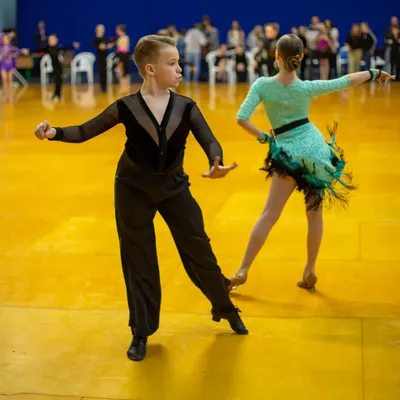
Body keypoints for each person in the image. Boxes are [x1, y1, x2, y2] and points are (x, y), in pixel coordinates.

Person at [34, 35, 248, 362]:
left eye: (178, 62)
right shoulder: (126, 107)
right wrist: (54, 133)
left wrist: (215, 162)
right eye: (172, 63)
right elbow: (84, 131)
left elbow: (209, 139)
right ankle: (141, 333)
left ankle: (225, 307)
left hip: (174, 187)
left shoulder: (185, 106)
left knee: (199, 249)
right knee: (139, 261)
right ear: (151, 69)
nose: (180, 68)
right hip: (132, 189)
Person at [228, 34, 395, 293]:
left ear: (276, 58)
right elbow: (344, 81)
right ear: (301, 58)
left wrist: (264, 138)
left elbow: (241, 118)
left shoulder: (262, 85)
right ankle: (310, 270)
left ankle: (243, 270)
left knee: (269, 215)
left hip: (287, 154)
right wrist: (375, 72)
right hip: (315, 151)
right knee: (314, 215)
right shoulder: (307, 88)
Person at [39, 34, 80, 101]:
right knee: (57, 80)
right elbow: (38, 50)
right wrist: (28, 51)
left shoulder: (58, 48)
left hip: (59, 66)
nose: (51, 41)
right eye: (49, 40)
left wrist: (73, 46)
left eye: (52, 39)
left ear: (56, 40)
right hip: (54, 66)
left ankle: (58, 94)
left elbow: (66, 47)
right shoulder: (47, 48)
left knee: (59, 80)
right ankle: (56, 94)